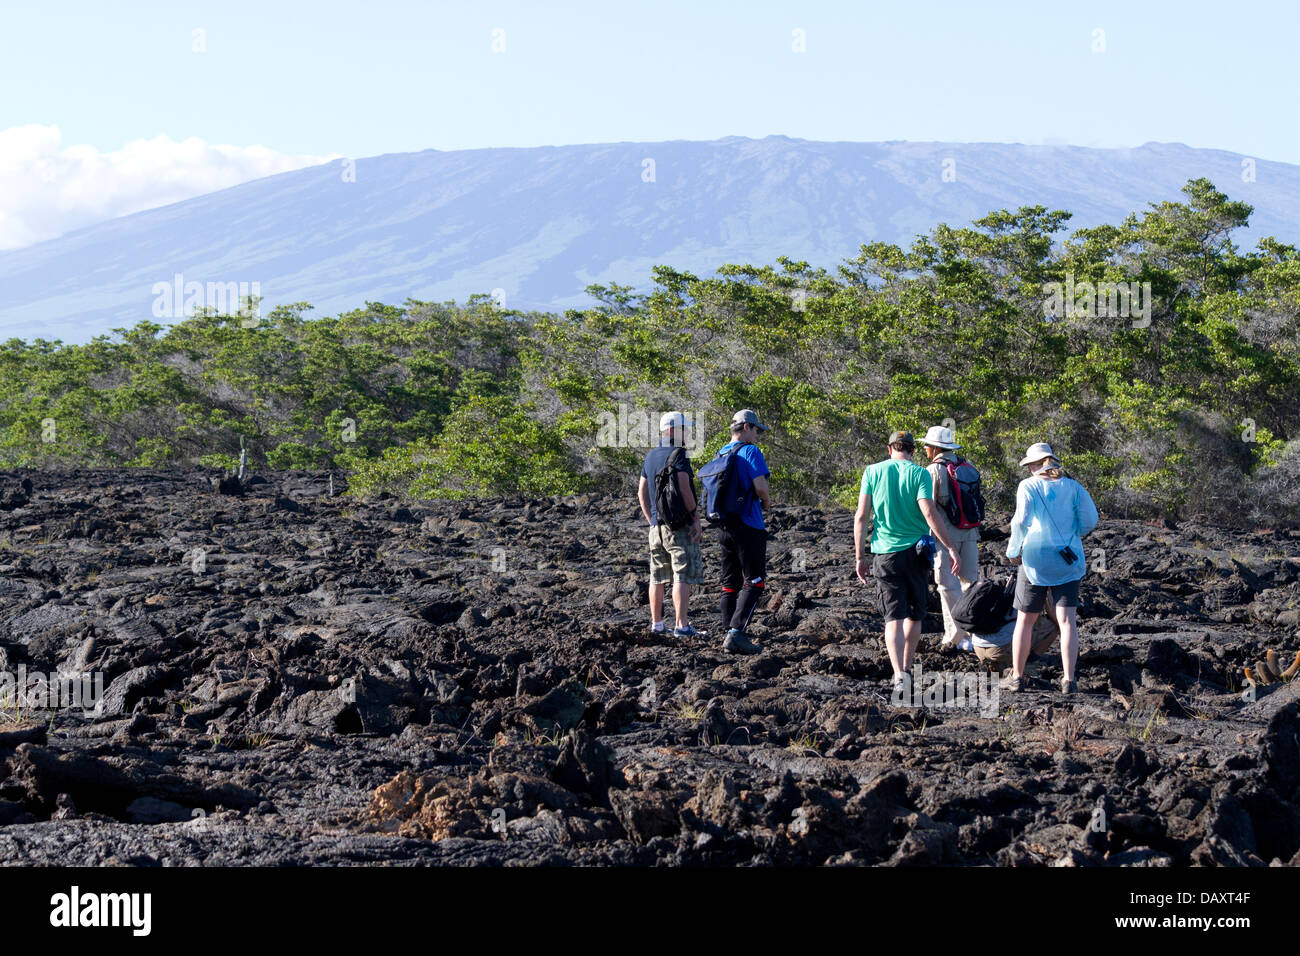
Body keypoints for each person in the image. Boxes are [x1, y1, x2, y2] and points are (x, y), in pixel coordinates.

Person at [854, 431, 961, 693]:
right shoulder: (921, 474)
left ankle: (899, 674)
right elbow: (928, 510)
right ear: (913, 450)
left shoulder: (872, 472)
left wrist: (859, 556)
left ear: (890, 449)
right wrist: (949, 546)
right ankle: (907, 666)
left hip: (885, 554)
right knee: (915, 615)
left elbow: (861, 516)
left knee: (893, 618)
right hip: (916, 553)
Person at [1003, 442, 1100, 694]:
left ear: (1035, 465)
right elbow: (1090, 520)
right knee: (1067, 621)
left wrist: (1013, 551)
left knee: (1025, 620)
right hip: (1068, 558)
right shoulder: (1074, 486)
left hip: (1034, 559)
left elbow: (1021, 520)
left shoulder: (1028, 486)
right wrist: (1072, 534)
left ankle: (1017, 676)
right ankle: (1069, 680)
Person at [637, 411, 704, 637]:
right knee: (681, 574)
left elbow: (641, 493)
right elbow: (684, 486)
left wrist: (651, 521)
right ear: (674, 431)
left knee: (657, 577)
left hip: (656, 527)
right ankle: (681, 626)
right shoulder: (679, 455)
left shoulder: (651, 456)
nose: (689, 433)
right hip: (677, 527)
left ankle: (657, 625)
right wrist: (695, 516)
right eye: (685, 429)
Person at [920, 425, 981, 651]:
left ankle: (955, 637)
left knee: (947, 586)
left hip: (946, 536)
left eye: (927, 444)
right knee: (970, 585)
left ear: (935, 448)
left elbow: (928, 508)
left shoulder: (933, 470)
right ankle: (974, 635)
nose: (924, 448)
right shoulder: (967, 466)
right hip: (971, 533)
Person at [716, 410, 772, 655]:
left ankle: (727, 630)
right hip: (748, 524)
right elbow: (760, 487)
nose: (758, 434)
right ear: (747, 427)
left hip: (724, 525)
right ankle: (736, 633)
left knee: (730, 583)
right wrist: (767, 502)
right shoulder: (750, 451)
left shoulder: (721, 452)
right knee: (755, 582)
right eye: (757, 429)